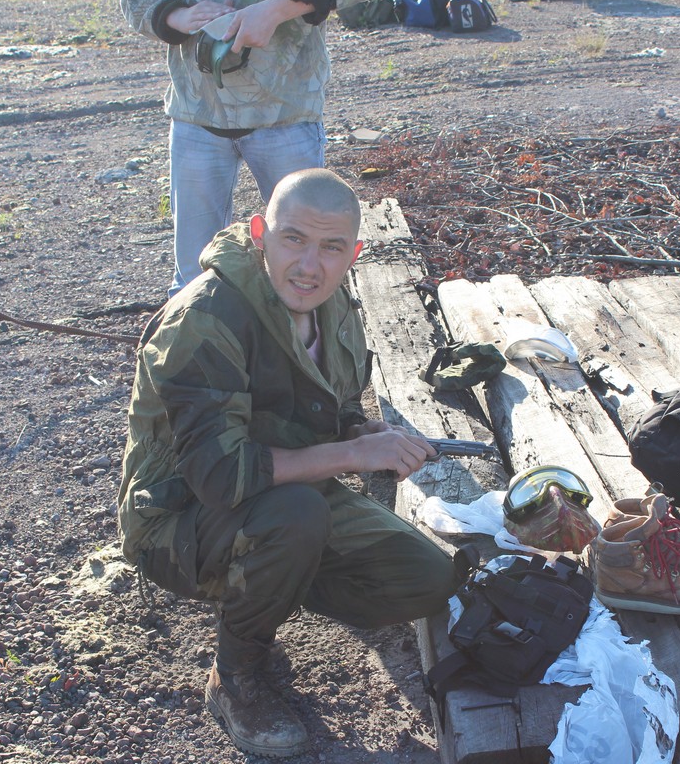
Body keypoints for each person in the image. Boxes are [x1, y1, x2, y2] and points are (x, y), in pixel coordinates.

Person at [117, 168, 458, 757]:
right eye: (293, 239)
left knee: (427, 581)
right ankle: (235, 675)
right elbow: (219, 475)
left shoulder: (332, 302)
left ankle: (272, 579)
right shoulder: (206, 317)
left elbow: (336, 402)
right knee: (297, 516)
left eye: (330, 248)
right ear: (260, 234)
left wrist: (359, 429)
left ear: (353, 255)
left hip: (287, 493)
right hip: (179, 518)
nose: (309, 265)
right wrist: (351, 454)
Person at [122, 0, 365, 298]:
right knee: (192, 280)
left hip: (287, 113)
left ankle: (307, 329)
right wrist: (174, 15)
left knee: (308, 269)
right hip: (196, 114)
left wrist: (278, 9)